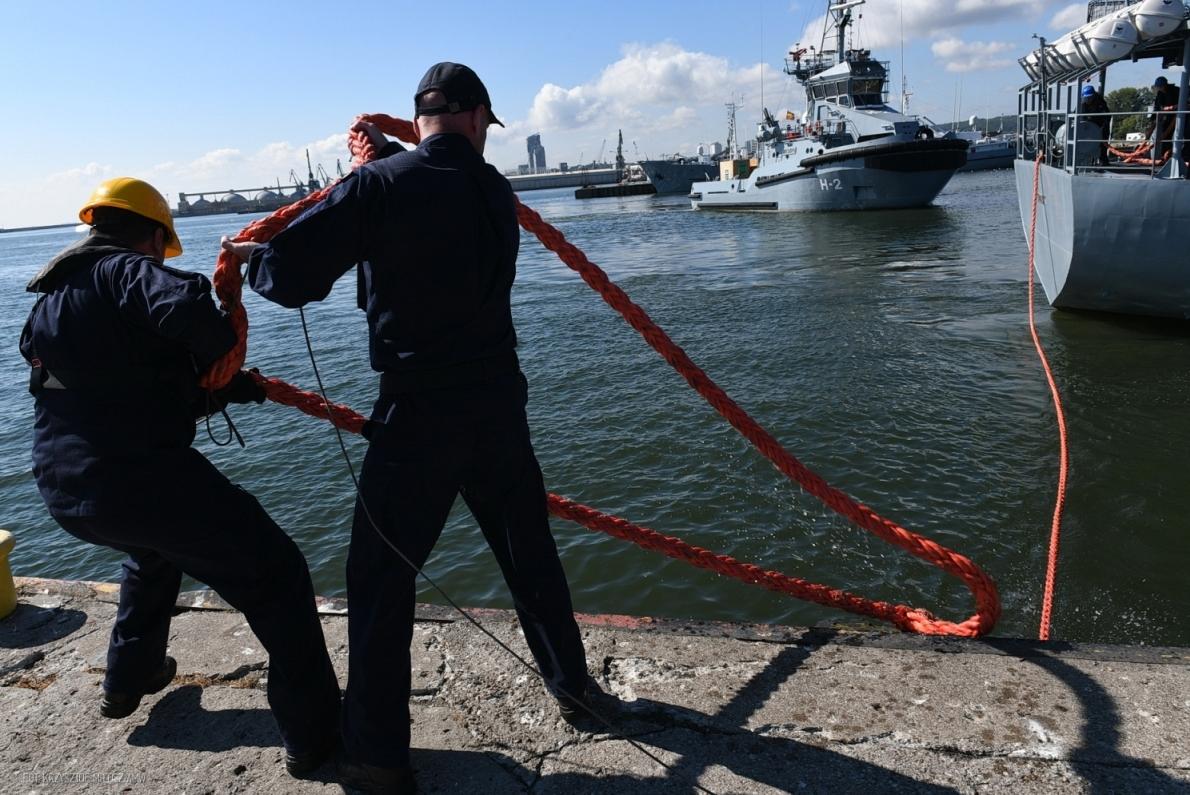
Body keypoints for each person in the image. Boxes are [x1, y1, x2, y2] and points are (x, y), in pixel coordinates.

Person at [222, 62, 597, 794]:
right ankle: (576, 690)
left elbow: (296, 276)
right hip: (498, 405)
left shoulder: (379, 187)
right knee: (532, 558)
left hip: (419, 413)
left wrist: (252, 261)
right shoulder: (494, 189)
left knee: (381, 580)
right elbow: (441, 189)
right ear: (477, 117)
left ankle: (378, 755)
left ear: (418, 117)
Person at [20, 177, 342, 778]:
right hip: (138, 478)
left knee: (151, 553)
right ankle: (315, 735)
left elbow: (119, 385)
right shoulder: (124, 271)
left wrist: (221, 389)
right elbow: (190, 310)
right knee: (277, 574)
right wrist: (218, 358)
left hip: (64, 488)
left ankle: (129, 679)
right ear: (152, 236)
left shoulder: (51, 303)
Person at [1146, 75, 1181, 157]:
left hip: (1177, 116)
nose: (1159, 88)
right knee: (1163, 134)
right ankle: (1162, 153)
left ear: (1164, 85)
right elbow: (1158, 107)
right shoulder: (1160, 94)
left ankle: (1169, 154)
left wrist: (1170, 108)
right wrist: (1152, 121)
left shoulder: (1176, 91)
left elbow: (1182, 104)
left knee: (1171, 134)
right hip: (1165, 116)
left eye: (1160, 86)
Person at [1079, 84, 1111, 164]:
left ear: (1093, 96)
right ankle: (1085, 161)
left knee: (1102, 144)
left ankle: (1103, 161)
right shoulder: (1083, 104)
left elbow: (1106, 116)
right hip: (1088, 127)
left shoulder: (1101, 103)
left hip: (1101, 126)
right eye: (1086, 98)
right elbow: (1079, 115)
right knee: (1085, 144)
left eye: (1089, 98)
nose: (1087, 100)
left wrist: (1102, 129)